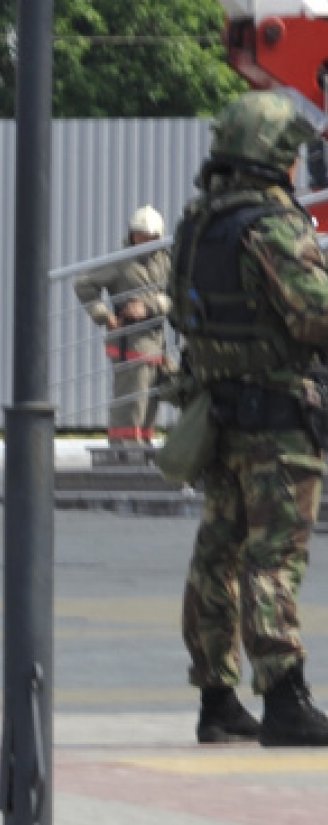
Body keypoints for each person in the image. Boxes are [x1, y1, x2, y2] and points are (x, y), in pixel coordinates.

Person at [169, 91, 328, 747]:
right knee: (273, 560)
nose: (296, 166)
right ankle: (285, 700)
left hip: (219, 417)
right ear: (269, 155)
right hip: (278, 425)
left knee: (216, 556)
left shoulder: (198, 223)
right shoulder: (273, 225)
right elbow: (315, 314)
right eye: (290, 154)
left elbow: (181, 314)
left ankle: (217, 701)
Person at [73, 205, 172, 446]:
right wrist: (105, 316)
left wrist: (151, 306)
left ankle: (143, 447)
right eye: (140, 235)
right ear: (131, 235)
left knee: (151, 402)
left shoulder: (167, 261)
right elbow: (84, 284)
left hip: (157, 344)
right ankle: (123, 452)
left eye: (150, 237)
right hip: (129, 343)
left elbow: (177, 295)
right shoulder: (121, 262)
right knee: (131, 403)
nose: (144, 241)